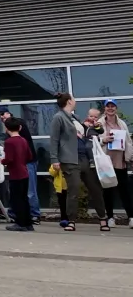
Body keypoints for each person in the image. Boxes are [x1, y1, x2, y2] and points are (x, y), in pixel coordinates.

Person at [49, 94, 108, 232]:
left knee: (96, 189)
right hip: (69, 159)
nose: (75, 101)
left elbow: (87, 134)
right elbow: (54, 140)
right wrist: (54, 159)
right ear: (69, 101)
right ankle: (71, 221)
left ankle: (103, 219)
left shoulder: (74, 117)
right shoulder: (59, 118)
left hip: (85, 159)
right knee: (73, 191)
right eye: (73, 99)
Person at [0, 107, 40, 223]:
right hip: (23, 164)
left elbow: (11, 139)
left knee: (29, 191)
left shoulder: (18, 124)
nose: (2, 117)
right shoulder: (15, 133)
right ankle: (17, 214)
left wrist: (3, 161)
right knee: (20, 192)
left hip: (27, 163)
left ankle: (33, 214)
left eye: (3, 114)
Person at [99, 99, 133, 228]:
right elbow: (94, 139)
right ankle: (110, 217)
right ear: (105, 109)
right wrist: (104, 139)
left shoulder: (122, 124)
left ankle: (131, 217)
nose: (111, 109)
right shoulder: (100, 123)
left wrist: (130, 157)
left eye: (113, 106)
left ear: (116, 108)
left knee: (125, 191)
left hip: (121, 162)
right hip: (106, 162)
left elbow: (128, 141)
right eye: (108, 106)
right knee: (108, 190)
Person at [0, 117, 34, 232]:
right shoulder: (23, 140)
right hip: (25, 172)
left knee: (16, 199)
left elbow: (9, 158)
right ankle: (28, 223)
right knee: (24, 198)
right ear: (20, 127)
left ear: (6, 128)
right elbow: (29, 156)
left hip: (15, 174)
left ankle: (20, 223)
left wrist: (2, 161)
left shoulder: (9, 142)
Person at [48, 162, 69, 228]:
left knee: (69, 203)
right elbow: (52, 173)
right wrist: (55, 168)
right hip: (60, 188)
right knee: (62, 204)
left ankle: (70, 219)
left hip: (69, 187)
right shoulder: (56, 163)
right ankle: (63, 219)